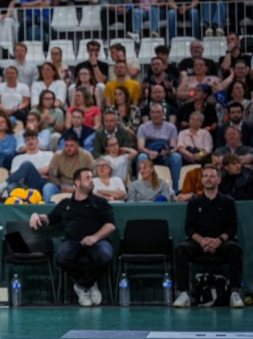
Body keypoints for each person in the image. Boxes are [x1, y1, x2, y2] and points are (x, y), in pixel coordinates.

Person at [30, 167, 116, 306]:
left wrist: (94, 237)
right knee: (61, 256)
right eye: (87, 178)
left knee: (105, 255)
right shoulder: (65, 204)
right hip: (72, 242)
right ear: (77, 182)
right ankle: (89, 284)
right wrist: (36, 215)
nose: (91, 181)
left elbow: (110, 225)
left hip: (97, 241)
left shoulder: (100, 202)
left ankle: (82, 285)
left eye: (91, 178)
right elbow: (49, 218)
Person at [172, 165, 244, 308]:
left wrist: (218, 240)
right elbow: (189, 228)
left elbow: (232, 227)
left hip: (222, 242)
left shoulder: (228, 201)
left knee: (235, 249)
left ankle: (234, 293)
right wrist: (202, 240)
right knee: (181, 250)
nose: (208, 179)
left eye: (212, 176)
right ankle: (184, 293)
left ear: (219, 179)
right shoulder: (194, 202)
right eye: (205, 176)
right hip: (199, 242)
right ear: (201, 180)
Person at [136, 103, 183, 188]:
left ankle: (176, 190)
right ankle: (140, 188)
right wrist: (150, 152)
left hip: (165, 155)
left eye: (158, 112)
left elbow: (173, 147)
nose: (155, 115)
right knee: (141, 157)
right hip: (149, 154)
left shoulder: (171, 127)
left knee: (176, 157)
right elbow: (140, 147)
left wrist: (167, 152)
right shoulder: (143, 127)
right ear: (150, 114)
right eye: (153, 112)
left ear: (163, 114)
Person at [44, 133, 95, 202]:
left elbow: (92, 175)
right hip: (61, 185)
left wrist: (76, 187)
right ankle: (49, 210)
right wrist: (61, 186)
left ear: (77, 145)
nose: (68, 149)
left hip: (80, 186)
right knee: (48, 187)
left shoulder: (86, 156)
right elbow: (52, 176)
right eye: (66, 146)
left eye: (71, 146)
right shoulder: (58, 155)